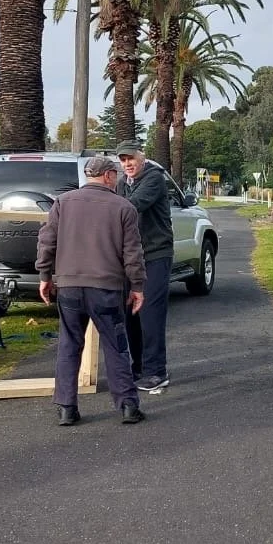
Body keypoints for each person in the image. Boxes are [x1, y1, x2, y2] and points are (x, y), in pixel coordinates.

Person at [35, 154, 146, 426]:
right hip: (106, 288)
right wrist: (137, 286)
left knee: (69, 344)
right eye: (115, 174)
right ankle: (128, 406)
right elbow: (132, 253)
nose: (118, 179)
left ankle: (66, 408)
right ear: (108, 176)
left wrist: (44, 275)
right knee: (116, 346)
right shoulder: (123, 207)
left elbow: (47, 241)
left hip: (69, 287)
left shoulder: (63, 203)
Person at [115, 144, 173, 394]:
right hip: (131, 259)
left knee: (150, 313)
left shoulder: (154, 178)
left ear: (143, 158)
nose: (128, 163)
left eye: (132, 159)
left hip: (156, 254)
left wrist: (99, 209)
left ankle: (156, 372)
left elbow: (133, 206)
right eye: (123, 160)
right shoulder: (121, 184)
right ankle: (138, 367)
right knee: (130, 315)